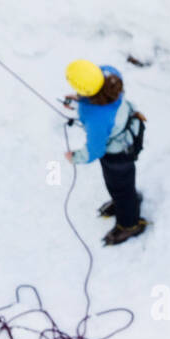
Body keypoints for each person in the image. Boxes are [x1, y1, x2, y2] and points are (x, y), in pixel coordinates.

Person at [61, 59, 147, 247]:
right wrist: (79, 99)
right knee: (123, 185)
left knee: (119, 187)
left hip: (118, 154)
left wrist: (75, 157)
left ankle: (130, 224)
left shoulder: (95, 118)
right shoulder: (110, 74)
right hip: (128, 133)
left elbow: (95, 149)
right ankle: (128, 200)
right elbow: (101, 99)